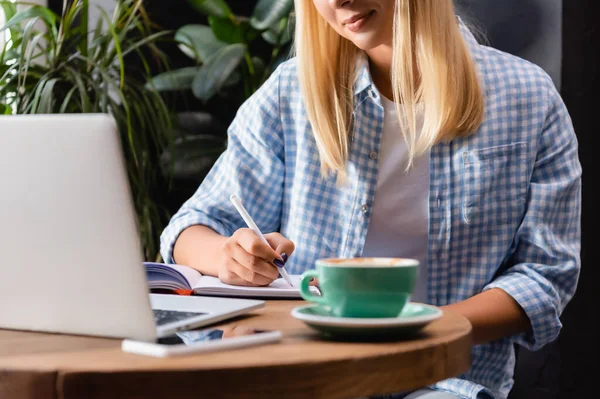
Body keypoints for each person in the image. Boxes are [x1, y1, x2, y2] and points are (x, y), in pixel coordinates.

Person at [160, 0, 582, 398]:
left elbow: (545, 273)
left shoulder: (527, 97)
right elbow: (192, 227)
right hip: (310, 373)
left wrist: (430, 329)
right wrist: (229, 255)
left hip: (450, 380)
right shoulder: (291, 93)